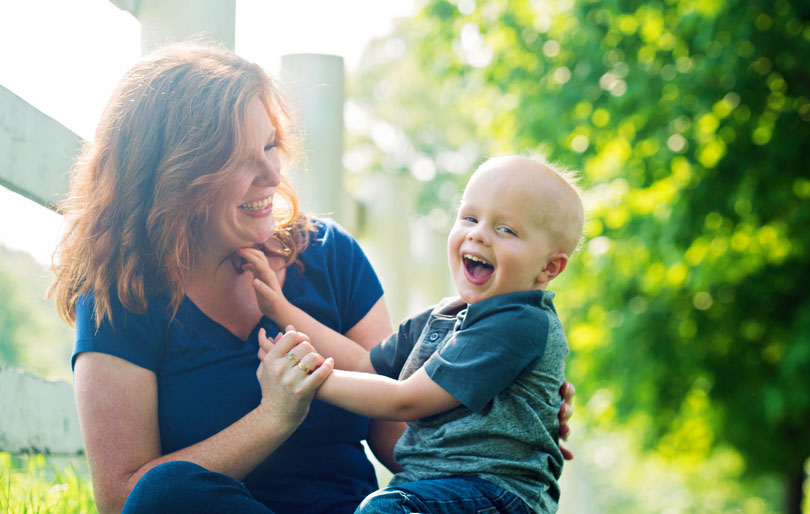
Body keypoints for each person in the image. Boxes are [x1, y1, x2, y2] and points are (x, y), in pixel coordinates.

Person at [49, 41, 574, 514]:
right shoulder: (124, 295)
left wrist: (500, 411)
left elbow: (400, 427)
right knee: (166, 492)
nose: (274, 176)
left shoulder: (329, 255)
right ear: (176, 172)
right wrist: (274, 416)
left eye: (271, 146)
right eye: (241, 157)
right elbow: (124, 501)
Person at [242, 155, 584, 514]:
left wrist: (303, 377)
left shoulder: (519, 322)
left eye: (506, 230)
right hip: (437, 489)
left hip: (497, 494)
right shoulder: (446, 316)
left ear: (549, 267)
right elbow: (364, 363)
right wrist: (281, 310)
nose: (478, 234)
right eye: (470, 217)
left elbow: (405, 400)